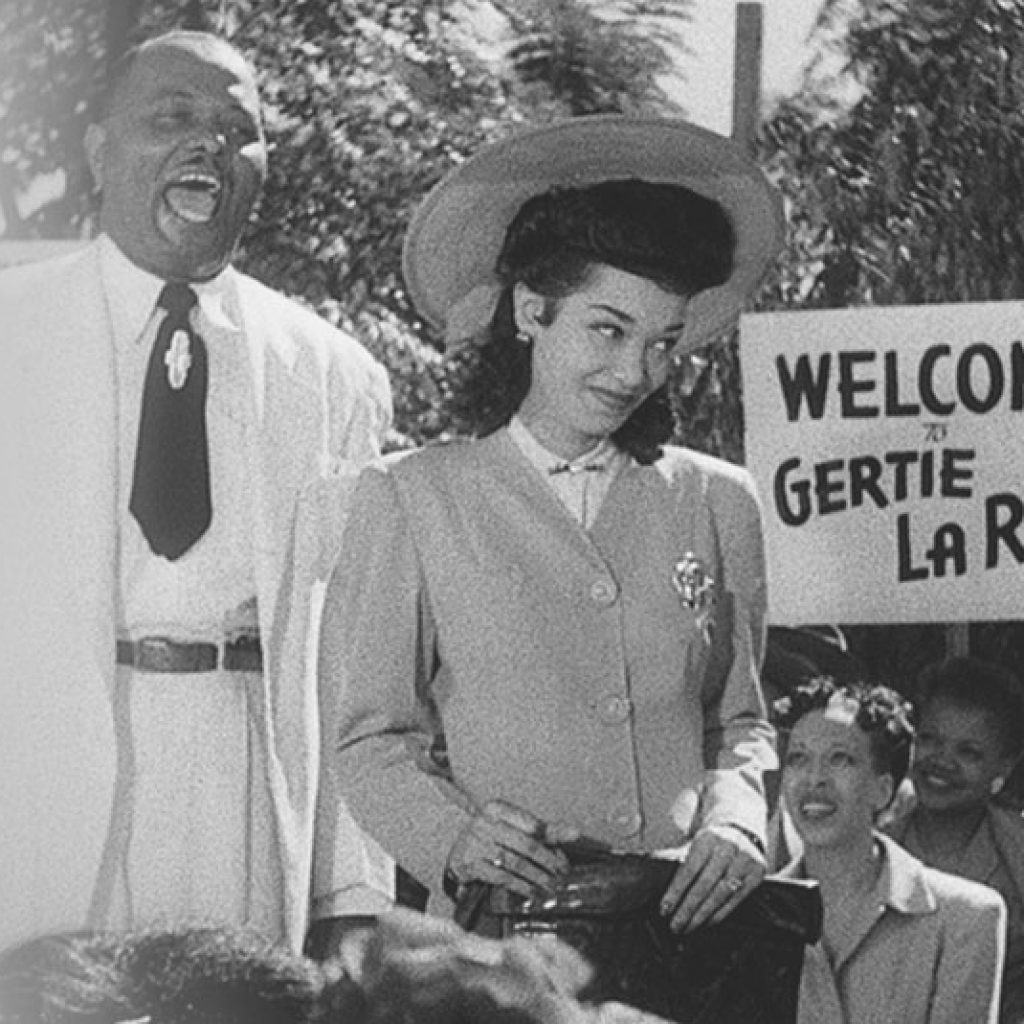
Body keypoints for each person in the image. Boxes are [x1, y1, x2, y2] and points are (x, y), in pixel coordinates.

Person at [319, 115, 783, 934]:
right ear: (532, 312)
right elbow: (370, 741)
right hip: (502, 944)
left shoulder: (719, 501)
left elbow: (739, 721)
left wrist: (740, 818)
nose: (635, 372)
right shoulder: (412, 498)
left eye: (664, 342)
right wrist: (454, 837)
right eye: (608, 329)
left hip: (691, 940)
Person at [0, 30, 393, 953]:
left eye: (236, 128)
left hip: (245, 781)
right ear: (99, 151)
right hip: (41, 779)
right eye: (172, 118)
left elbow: (349, 653)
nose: (207, 145)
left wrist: (350, 894)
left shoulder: (334, 375)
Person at [774, 676, 1006, 1024]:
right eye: (798, 758)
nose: (814, 778)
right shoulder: (752, 917)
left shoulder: (967, 917)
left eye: (840, 759)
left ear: (882, 790)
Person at [884, 656, 1024, 1023]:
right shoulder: (879, 832)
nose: (942, 761)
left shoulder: (1015, 852)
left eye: (969, 752)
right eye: (929, 740)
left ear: (1004, 767)